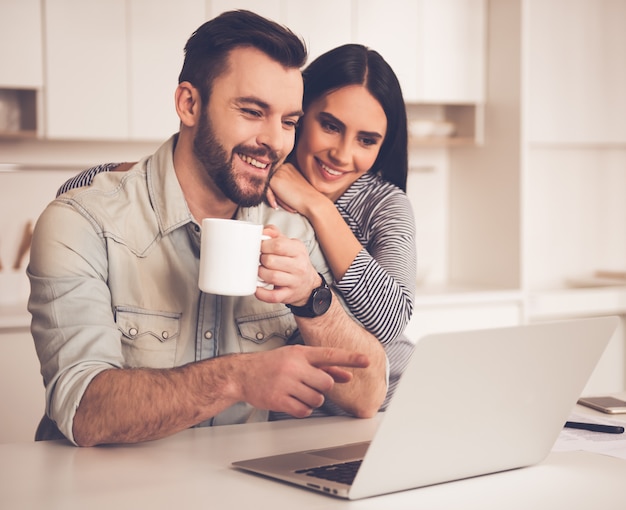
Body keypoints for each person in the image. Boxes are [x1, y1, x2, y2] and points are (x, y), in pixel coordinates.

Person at [28, 10, 388, 447]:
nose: (275, 141)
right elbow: (84, 410)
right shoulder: (82, 222)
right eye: (253, 111)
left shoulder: (291, 232)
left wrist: (313, 298)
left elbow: (367, 396)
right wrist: (235, 380)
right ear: (189, 104)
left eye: (289, 121)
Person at [267, 43, 416, 414]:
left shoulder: (384, 205)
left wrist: (318, 206)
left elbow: (390, 322)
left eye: (366, 140)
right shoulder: (257, 179)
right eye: (331, 127)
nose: (342, 154)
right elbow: (99, 176)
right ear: (301, 114)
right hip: (294, 420)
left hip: (393, 407)